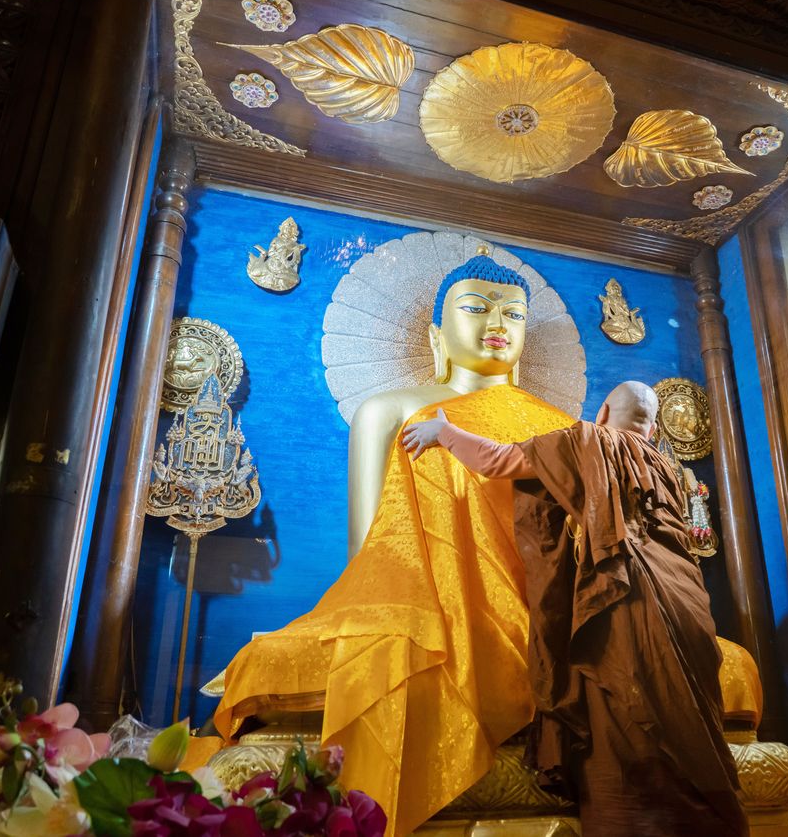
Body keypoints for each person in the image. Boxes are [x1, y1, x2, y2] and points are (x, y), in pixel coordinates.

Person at [206, 250, 577, 837]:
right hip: (408, 596)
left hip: (540, 607)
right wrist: (389, 619)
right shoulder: (391, 409)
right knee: (289, 659)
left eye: (513, 313)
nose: (497, 324)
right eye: (476, 308)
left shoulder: (560, 427)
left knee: (708, 662)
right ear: (437, 333)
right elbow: (371, 549)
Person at [401, 381, 748, 837]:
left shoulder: (587, 439)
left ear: (603, 411)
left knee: (625, 713)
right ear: (654, 424)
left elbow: (497, 461)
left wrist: (443, 432)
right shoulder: (667, 467)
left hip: (629, 602)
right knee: (688, 716)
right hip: (688, 607)